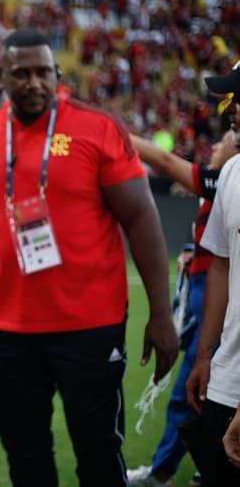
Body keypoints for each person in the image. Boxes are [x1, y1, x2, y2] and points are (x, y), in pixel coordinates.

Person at [0, 29, 178, 486]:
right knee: (26, 455)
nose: (34, 82)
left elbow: (141, 219)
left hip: (89, 327)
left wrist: (161, 314)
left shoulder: (97, 128)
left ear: (57, 74)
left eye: (44, 72)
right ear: (1, 77)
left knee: (98, 452)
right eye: (21, 73)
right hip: (2, 329)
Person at [127, 129, 239, 487]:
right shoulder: (225, 185)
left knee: (192, 394)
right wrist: (194, 252)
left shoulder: (223, 177)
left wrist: (117, 133)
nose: (216, 146)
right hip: (204, 303)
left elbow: (163, 161)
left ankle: (167, 472)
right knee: (194, 392)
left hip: (216, 309)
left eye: (224, 140)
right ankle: (184, 467)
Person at [185, 62, 240, 487]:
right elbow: (220, 265)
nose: (232, 108)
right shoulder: (232, 175)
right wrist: (205, 356)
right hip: (226, 380)